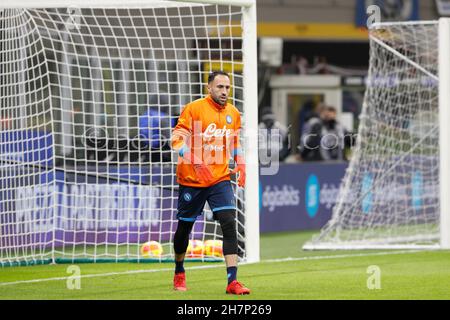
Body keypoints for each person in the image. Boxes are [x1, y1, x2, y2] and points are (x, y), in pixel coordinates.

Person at [170, 71, 250, 295]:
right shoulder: (194, 109)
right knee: (184, 229)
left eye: (227, 87)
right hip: (192, 180)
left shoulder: (233, 113)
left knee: (228, 222)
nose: (224, 91)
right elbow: (175, 140)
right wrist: (195, 161)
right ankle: (179, 270)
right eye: (220, 87)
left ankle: (232, 281)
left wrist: (241, 163)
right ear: (209, 88)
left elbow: (233, 142)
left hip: (220, 178)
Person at [139, 94, 176, 162]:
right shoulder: (163, 118)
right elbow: (168, 138)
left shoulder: (144, 115)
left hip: (145, 150)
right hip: (160, 152)